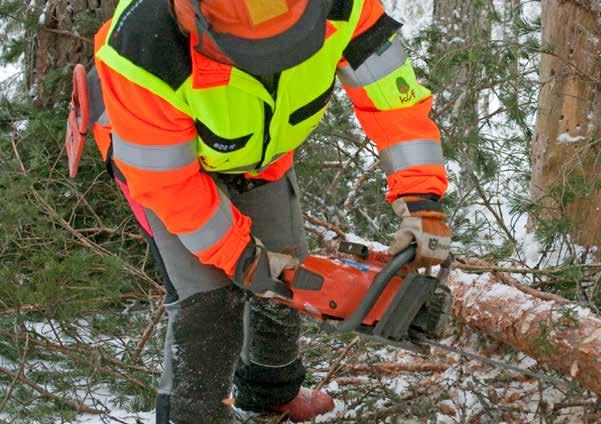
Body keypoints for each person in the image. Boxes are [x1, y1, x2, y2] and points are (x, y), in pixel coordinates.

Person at [84, 0, 451, 422]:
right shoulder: (142, 50)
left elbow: (393, 99)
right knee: (207, 298)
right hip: (159, 163)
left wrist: (421, 198)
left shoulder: (347, 6)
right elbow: (170, 185)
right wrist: (240, 257)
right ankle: (192, 415)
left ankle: (269, 389)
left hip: (259, 157)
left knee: (287, 265)